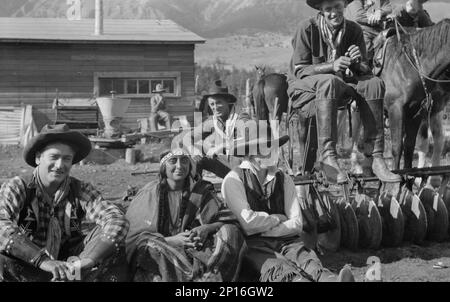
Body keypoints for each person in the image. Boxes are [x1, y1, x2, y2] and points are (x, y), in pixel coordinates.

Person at [221, 122, 355, 282]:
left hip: (287, 241)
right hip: (252, 246)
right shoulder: (233, 179)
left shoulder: (283, 179)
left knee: (309, 263)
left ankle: (333, 280)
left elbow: (297, 223)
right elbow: (248, 223)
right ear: (251, 152)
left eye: (272, 147)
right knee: (280, 271)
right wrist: (278, 218)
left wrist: (266, 229)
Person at [287, 0, 401, 184]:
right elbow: (300, 70)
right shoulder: (307, 28)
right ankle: (327, 156)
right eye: (328, 9)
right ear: (320, 10)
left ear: (344, 6)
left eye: (338, 7)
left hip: (339, 83)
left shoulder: (354, 30)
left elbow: (365, 68)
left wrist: (358, 62)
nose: (334, 13)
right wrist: (332, 65)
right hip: (303, 85)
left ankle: (375, 157)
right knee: (329, 81)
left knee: (374, 83)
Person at [0, 124, 130, 282]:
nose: (60, 165)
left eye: (67, 158)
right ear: (38, 158)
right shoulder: (19, 187)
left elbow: (116, 218)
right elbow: (2, 224)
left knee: (113, 244)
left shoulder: (80, 189)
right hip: (29, 265)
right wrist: (44, 261)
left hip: (71, 265)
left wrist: (88, 260)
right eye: (54, 157)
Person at [125, 148, 246, 282]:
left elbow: (227, 220)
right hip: (165, 250)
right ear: (163, 167)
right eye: (173, 161)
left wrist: (205, 229)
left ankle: (209, 275)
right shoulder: (150, 193)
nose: (179, 166)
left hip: (198, 250)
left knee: (230, 232)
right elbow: (136, 239)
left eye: (184, 161)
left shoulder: (201, 190)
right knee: (149, 247)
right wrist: (172, 240)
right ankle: (195, 277)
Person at [178, 80, 248, 179]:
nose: (215, 107)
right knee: (195, 153)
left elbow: (250, 139)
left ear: (228, 101)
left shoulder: (241, 117)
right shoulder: (213, 120)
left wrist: (222, 146)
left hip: (244, 168)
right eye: (212, 104)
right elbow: (188, 137)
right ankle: (197, 189)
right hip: (226, 166)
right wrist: (193, 150)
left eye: (219, 103)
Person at [345, 0, 393, 65]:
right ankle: (364, 69)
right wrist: (380, 18)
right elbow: (358, 16)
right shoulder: (355, 2)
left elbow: (389, 7)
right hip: (361, 31)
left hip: (378, 31)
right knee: (365, 49)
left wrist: (381, 12)